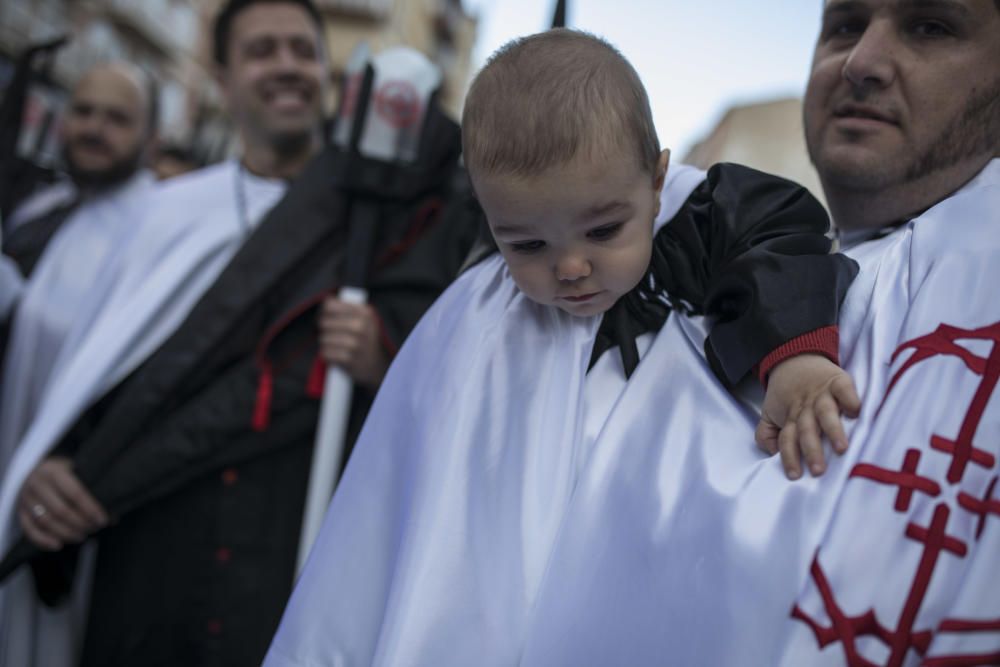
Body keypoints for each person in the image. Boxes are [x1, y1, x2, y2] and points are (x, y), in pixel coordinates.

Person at [265, 30, 862, 666]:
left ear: (657, 182)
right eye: (526, 245)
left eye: (603, 230)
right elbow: (405, 508)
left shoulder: (707, 222)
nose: (572, 267)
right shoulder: (473, 322)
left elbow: (775, 246)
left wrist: (794, 355)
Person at [0, 0, 479, 665]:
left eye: (301, 50)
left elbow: (451, 390)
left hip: (289, 547)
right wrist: (53, 464)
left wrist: (383, 355)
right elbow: (91, 377)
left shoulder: (388, 217)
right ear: (220, 79)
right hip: (150, 557)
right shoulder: (162, 217)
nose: (286, 66)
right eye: (261, 51)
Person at [0, 62, 158, 473]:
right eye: (83, 111)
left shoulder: (154, 231)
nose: (93, 128)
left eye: (116, 119)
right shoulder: (40, 206)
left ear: (151, 139)